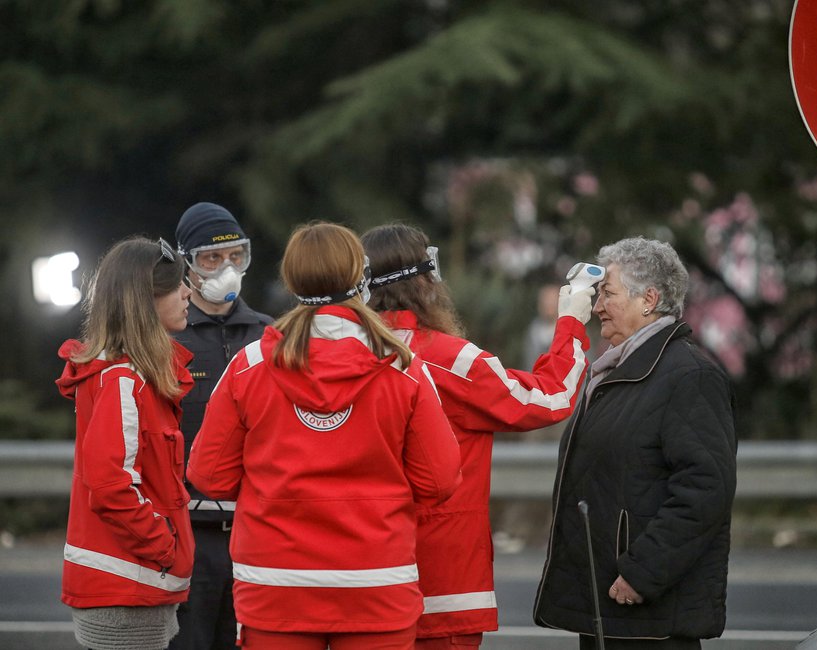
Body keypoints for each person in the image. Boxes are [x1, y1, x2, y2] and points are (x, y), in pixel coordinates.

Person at [186, 222, 463, 650]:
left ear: (292, 280)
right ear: (361, 276)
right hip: (377, 584)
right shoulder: (402, 367)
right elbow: (440, 480)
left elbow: (208, 476)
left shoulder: (249, 365)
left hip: (274, 586)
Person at [360, 223, 593, 649]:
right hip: (443, 582)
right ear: (425, 282)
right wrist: (572, 322)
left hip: (359, 577)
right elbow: (552, 396)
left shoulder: (340, 355)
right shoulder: (451, 361)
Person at [533, 237, 738, 649]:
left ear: (649, 299)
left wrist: (643, 572)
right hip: (610, 605)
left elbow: (705, 489)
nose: (596, 306)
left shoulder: (687, 375)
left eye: (607, 293)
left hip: (646, 609)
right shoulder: (616, 372)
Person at [55, 237, 195, 650]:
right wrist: (164, 546)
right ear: (144, 300)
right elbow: (110, 482)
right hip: (126, 585)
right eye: (177, 285)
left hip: (136, 583)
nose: (189, 292)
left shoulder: (130, 376)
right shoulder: (123, 380)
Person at [168, 202, 273, 650]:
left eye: (236, 256)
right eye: (211, 259)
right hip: (187, 535)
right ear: (186, 265)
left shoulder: (270, 335)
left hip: (257, 535)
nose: (225, 269)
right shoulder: (165, 336)